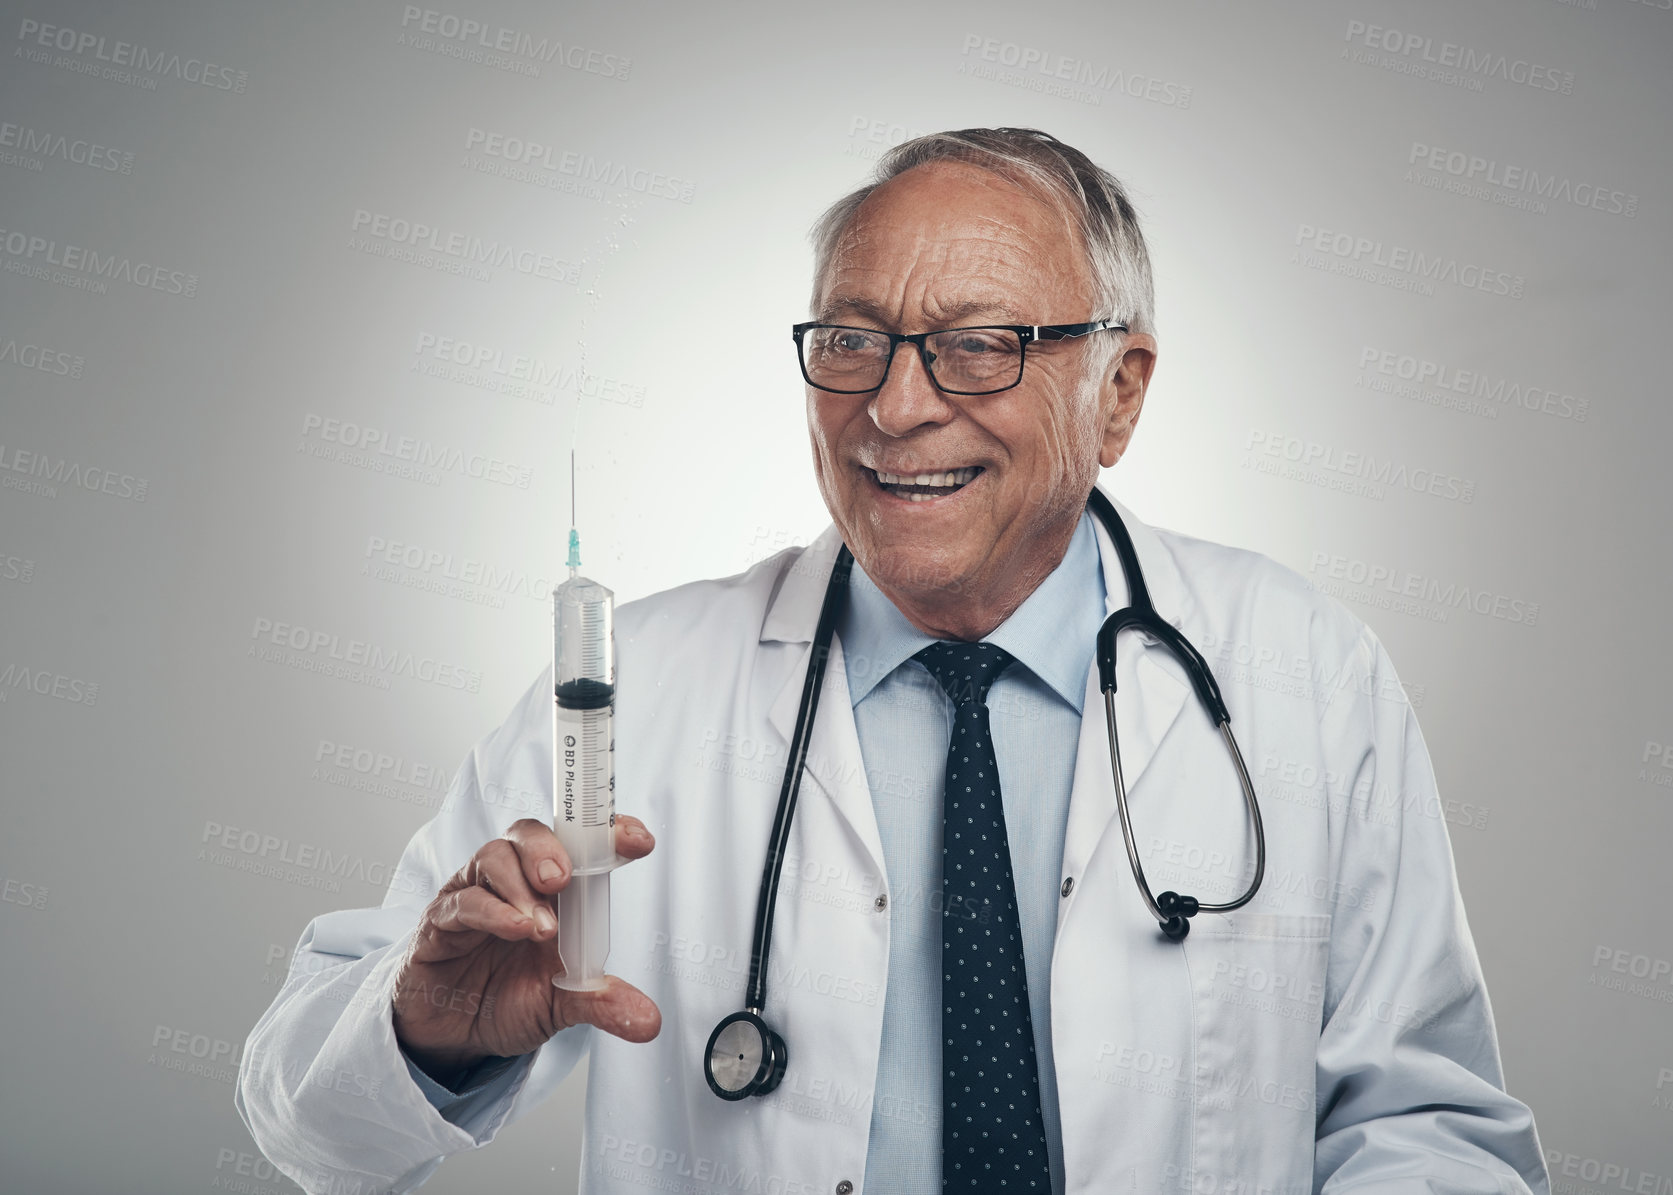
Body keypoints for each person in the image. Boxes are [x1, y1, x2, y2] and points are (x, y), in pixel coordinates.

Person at [237, 128, 1550, 1194]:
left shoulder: (1299, 668)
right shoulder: (641, 685)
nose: (895, 406)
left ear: (1121, 390)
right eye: (852, 339)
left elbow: (1427, 1127)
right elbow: (310, 1131)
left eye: (980, 346)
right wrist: (425, 1037)